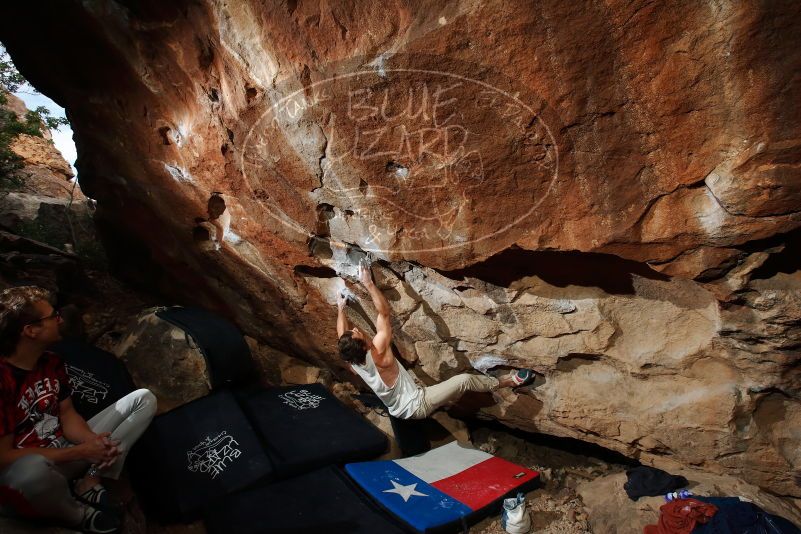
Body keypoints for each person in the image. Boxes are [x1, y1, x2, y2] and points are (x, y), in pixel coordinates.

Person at [0, 286, 157, 533]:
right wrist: (80, 452)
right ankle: (77, 515)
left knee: (143, 400)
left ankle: (90, 479)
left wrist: (94, 443)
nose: (60, 319)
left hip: (65, 451)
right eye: (52, 316)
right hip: (32, 473)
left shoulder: (51, 361)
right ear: (30, 330)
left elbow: (67, 414)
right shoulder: (4, 380)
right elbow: (4, 458)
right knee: (31, 473)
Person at [336, 262, 532, 420]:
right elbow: (384, 314)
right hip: (417, 406)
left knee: (441, 391)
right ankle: (506, 382)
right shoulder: (379, 356)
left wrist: (341, 309)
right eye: (357, 333)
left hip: (397, 410)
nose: (355, 329)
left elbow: (341, 335)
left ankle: (442, 403)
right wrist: (368, 283)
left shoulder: (353, 359)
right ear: (364, 346)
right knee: (464, 380)